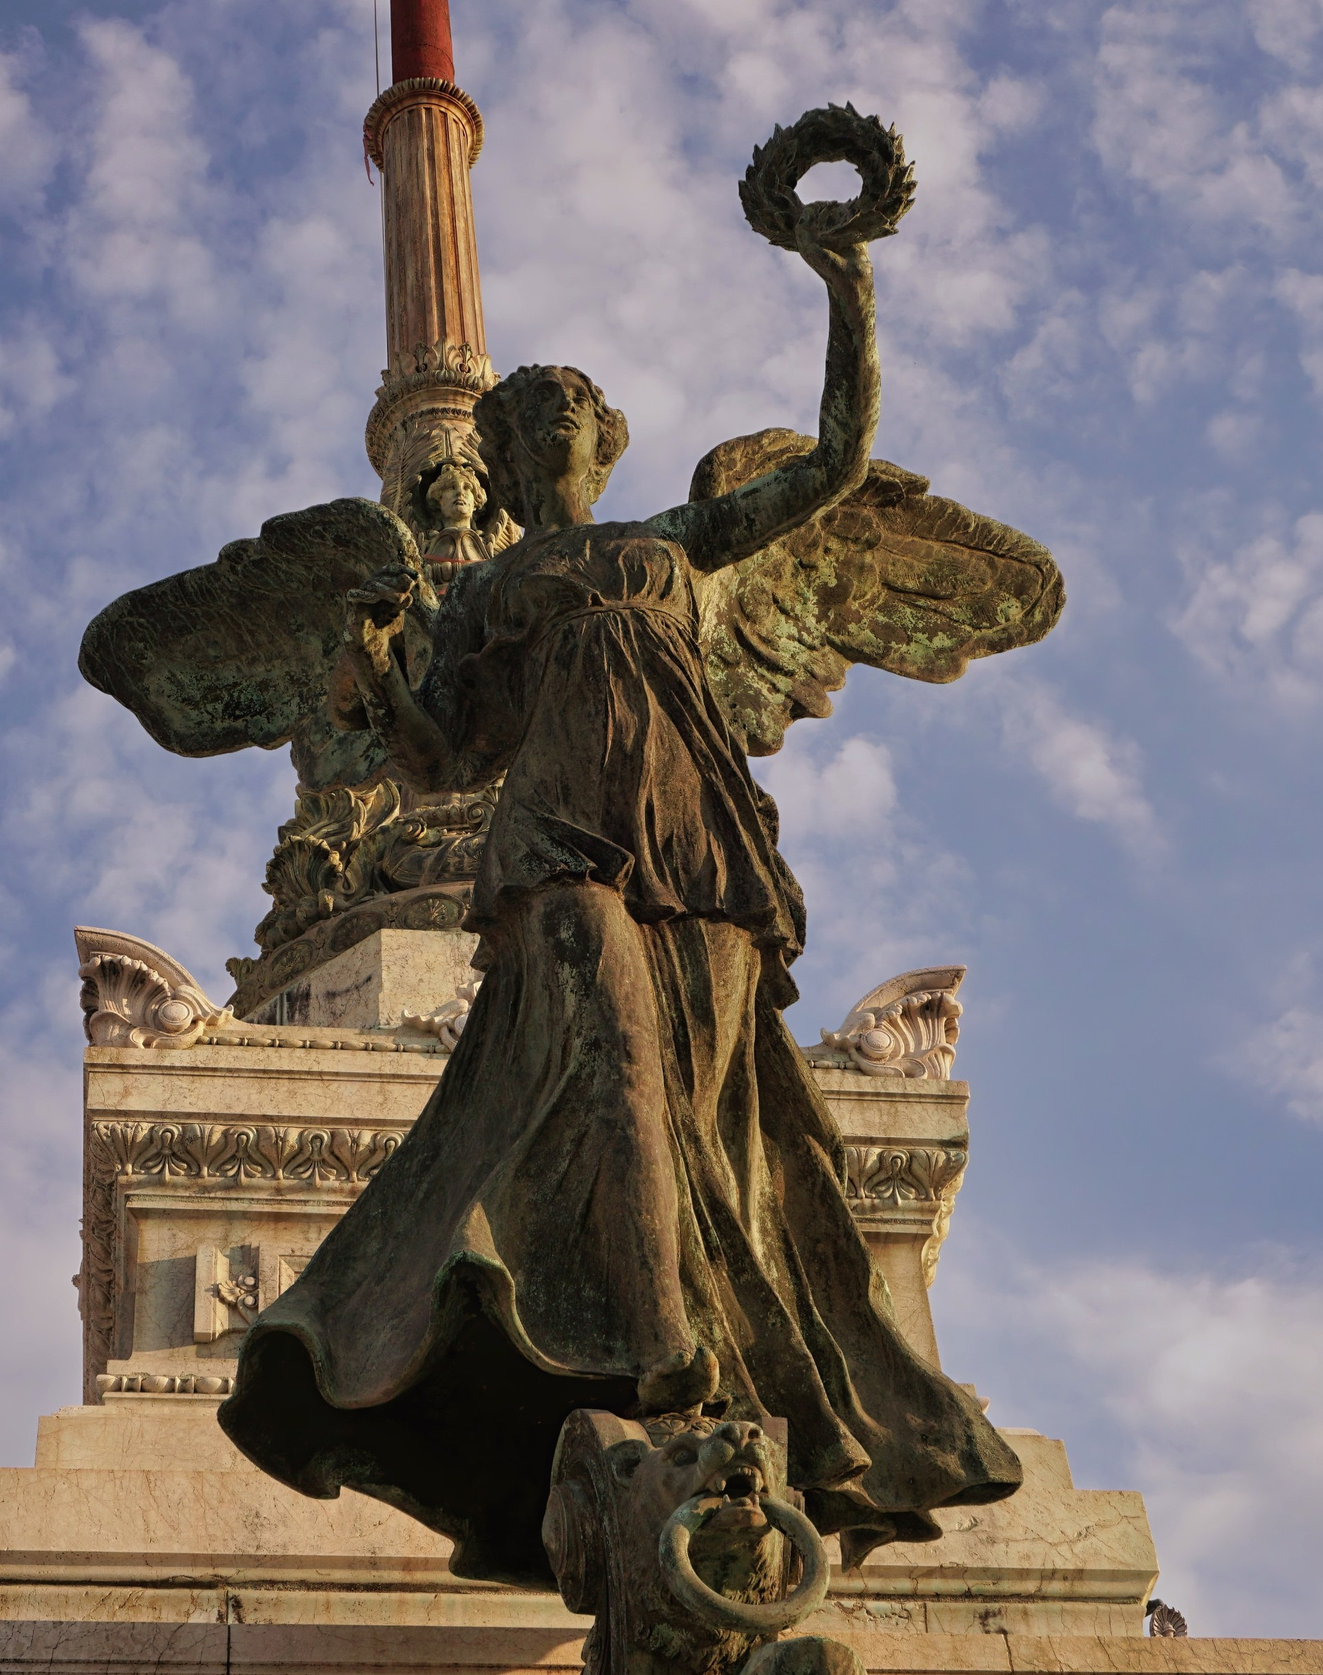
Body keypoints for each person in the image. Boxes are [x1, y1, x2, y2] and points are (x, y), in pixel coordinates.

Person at [217, 224, 1022, 1588]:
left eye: (574, 425)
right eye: (533, 430)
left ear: (607, 447)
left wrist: (845, 283)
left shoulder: (681, 542)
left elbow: (831, 469)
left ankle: (735, 1338)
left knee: (713, 1092)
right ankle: (662, 1343)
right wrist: (375, 675)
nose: (555, 447)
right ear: (512, 461)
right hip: (554, 840)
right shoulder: (477, 589)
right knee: (615, 1062)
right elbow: (440, 755)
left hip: (693, 836)